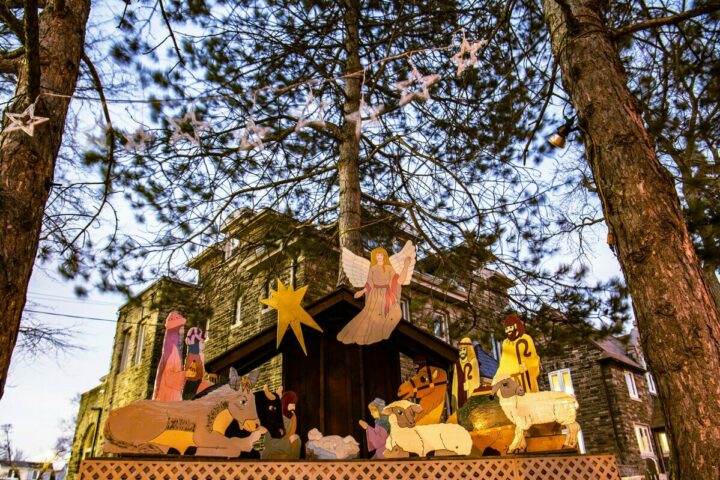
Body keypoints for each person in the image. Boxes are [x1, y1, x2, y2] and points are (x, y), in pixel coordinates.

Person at [337, 247, 411, 345]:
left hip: (388, 295)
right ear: (374, 257)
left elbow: (399, 281)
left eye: (381, 255)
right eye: (377, 255)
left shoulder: (389, 268)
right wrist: (362, 292)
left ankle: (385, 333)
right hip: (375, 297)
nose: (379, 257)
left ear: (384, 256)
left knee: (397, 314)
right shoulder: (372, 269)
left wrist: (406, 265)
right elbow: (370, 284)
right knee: (373, 320)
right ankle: (371, 336)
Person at [153, 311, 186, 401]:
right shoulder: (173, 352)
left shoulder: (172, 349)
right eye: (182, 327)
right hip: (169, 393)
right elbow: (170, 376)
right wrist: (185, 374)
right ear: (176, 328)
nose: (183, 330)